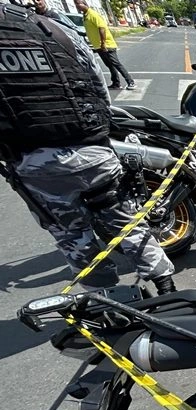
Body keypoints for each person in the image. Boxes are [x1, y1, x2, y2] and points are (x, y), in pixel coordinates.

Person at [0, 2, 176, 295]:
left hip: (36, 165)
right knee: (127, 224)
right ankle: (166, 285)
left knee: (74, 236)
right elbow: (96, 84)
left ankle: (107, 300)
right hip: (94, 151)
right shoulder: (52, 29)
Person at [75, 0, 135, 90]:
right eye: (75, 4)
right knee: (109, 65)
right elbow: (91, 30)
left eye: (78, 3)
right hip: (98, 46)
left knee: (116, 64)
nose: (76, 6)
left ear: (84, 4)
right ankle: (116, 83)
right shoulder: (85, 16)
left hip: (106, 45)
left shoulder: (93, 14)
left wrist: (103, 43)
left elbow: (102, 28)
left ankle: (131, 82)